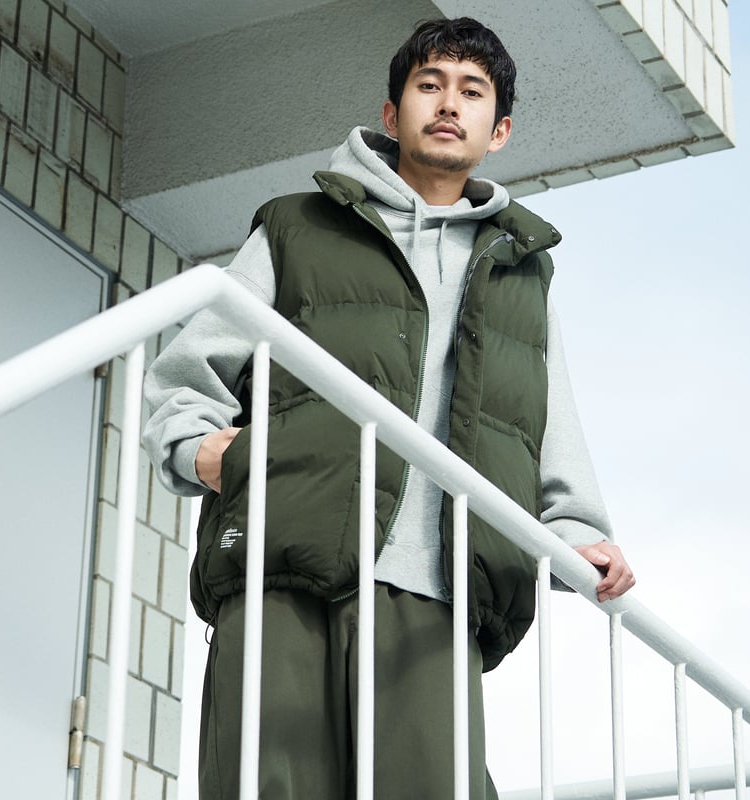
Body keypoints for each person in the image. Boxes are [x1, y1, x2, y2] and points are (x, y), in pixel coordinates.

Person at [143, 16, 635, 800]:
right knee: (269, 784)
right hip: (285, 558)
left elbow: (544, 420)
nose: (448, 103)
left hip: (439, 585)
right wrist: (196, 446)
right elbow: (193, 363)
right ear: (391, 113)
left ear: (499, 130)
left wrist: (578, 535)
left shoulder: (518, 271)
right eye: (429, 85)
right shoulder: (297, 227)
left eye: (471, 91)